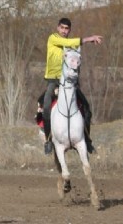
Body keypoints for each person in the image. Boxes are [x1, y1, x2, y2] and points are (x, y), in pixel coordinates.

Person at [43, 17, 103, 155]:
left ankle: (87, 141)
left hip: (69, 83)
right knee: (46, 105)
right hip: (53, 80)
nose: (64, 31)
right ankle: (48, 141)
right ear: (58, 28)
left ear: (69, 30)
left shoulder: (71, 46)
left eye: (67, 28)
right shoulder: (53, 38)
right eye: (62, 28)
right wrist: (88, 39)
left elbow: (76, 61)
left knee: (86, 108)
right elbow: (67, 41)